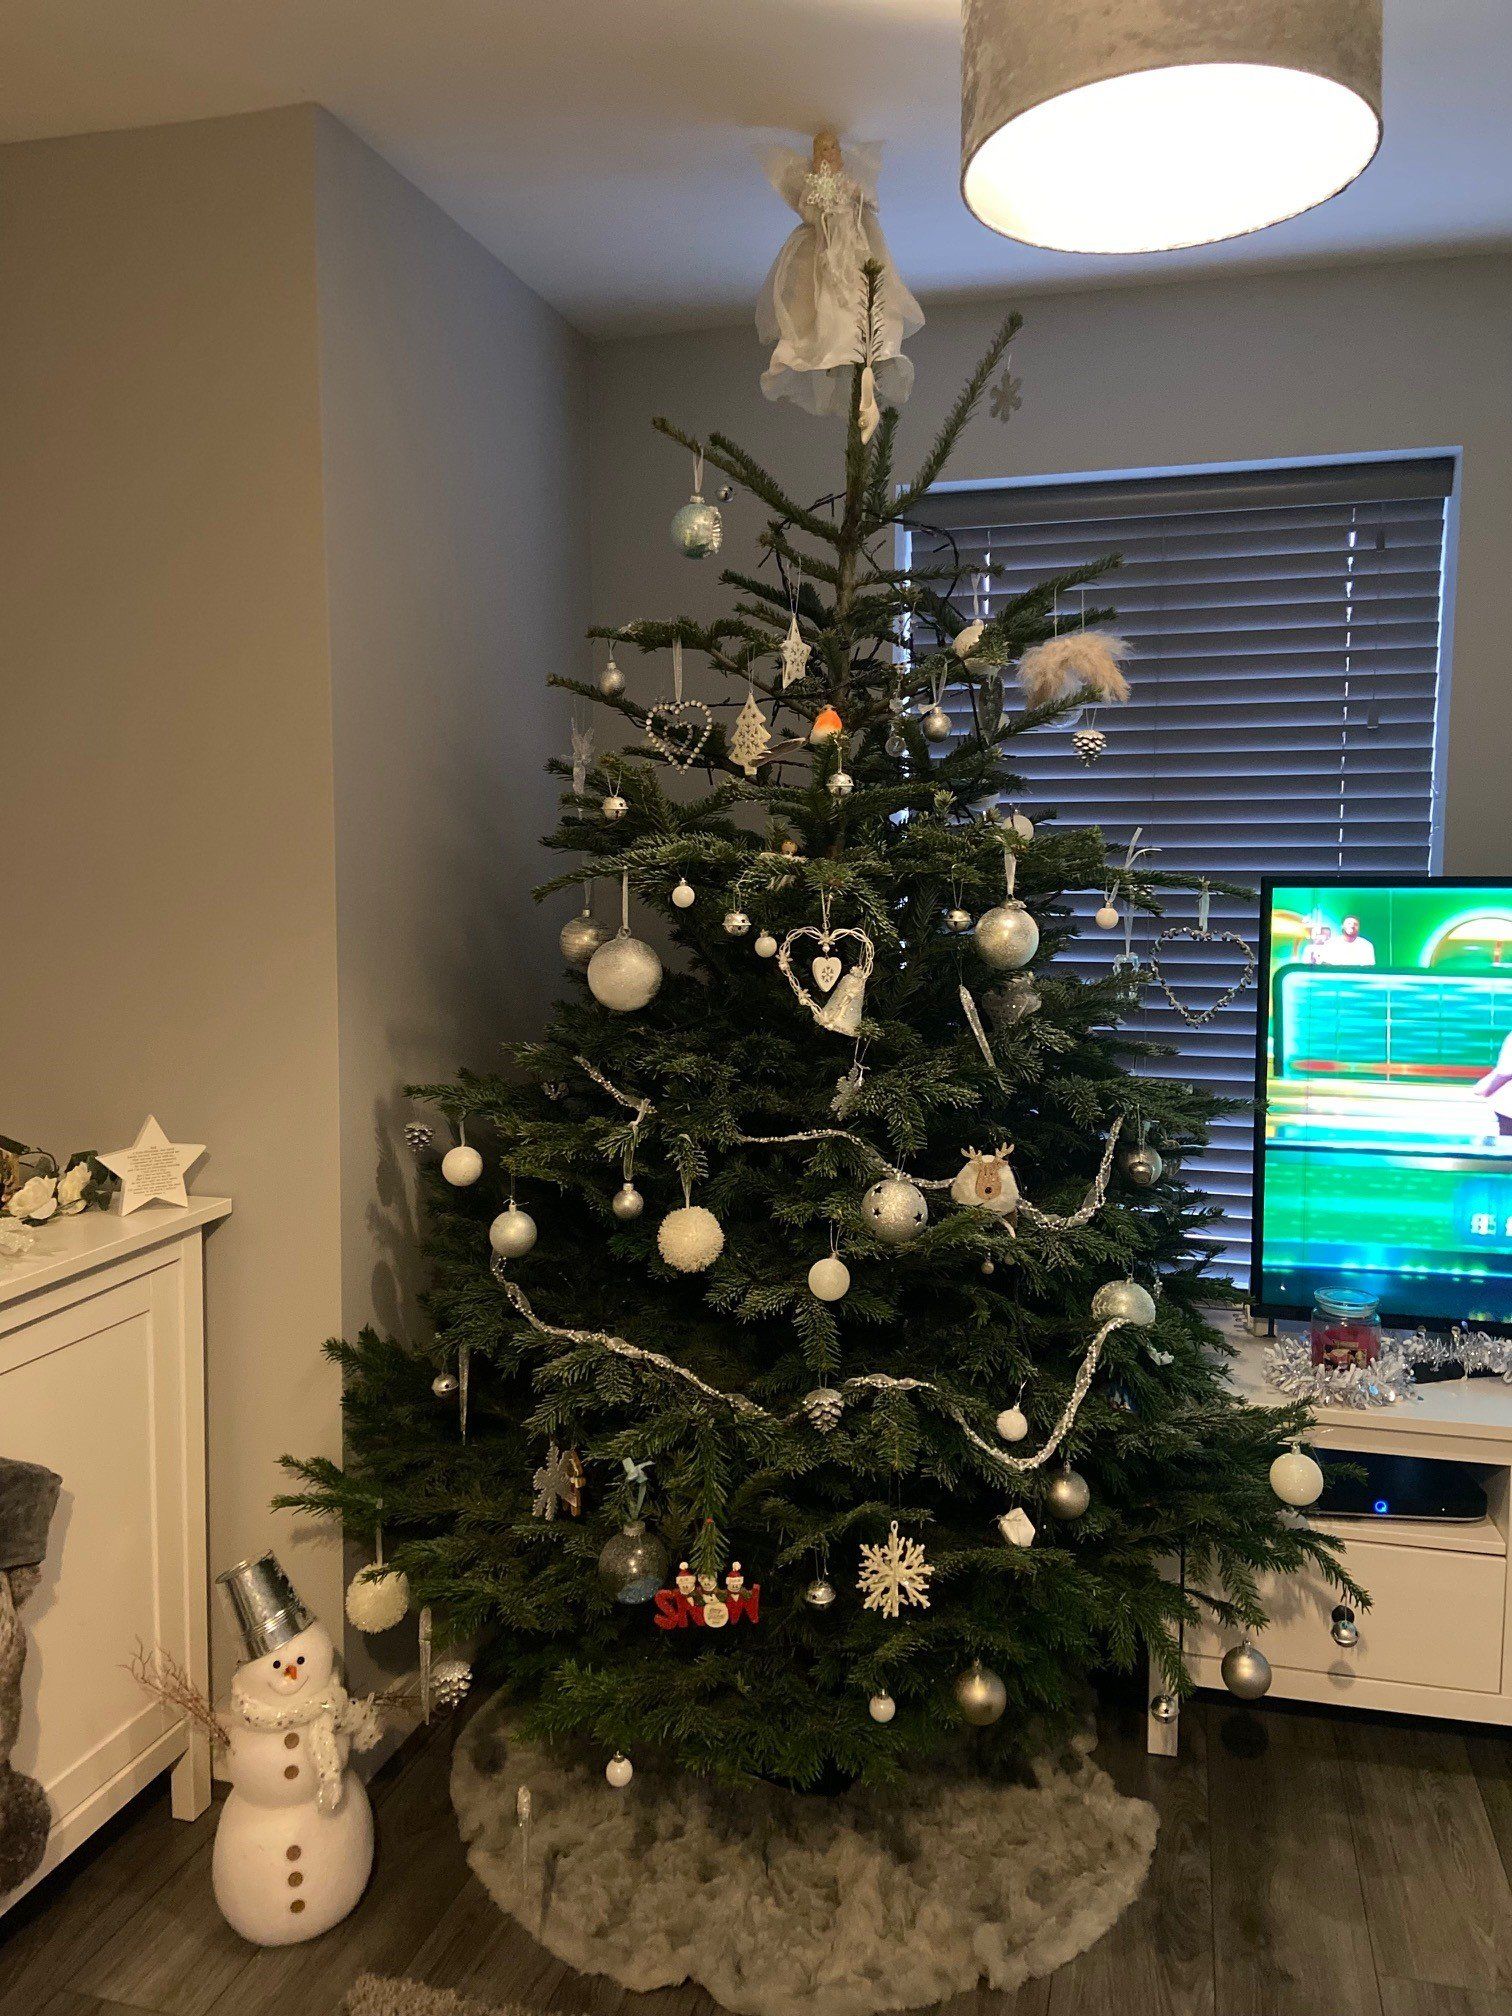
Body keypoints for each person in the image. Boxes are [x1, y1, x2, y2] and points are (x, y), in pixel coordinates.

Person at [1475, 1031, 1512, 1139]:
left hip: (1507, 1108)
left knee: (1507, 1144)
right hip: (1506, 1108)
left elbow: (1506, 1072)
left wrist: (1487, 1089)